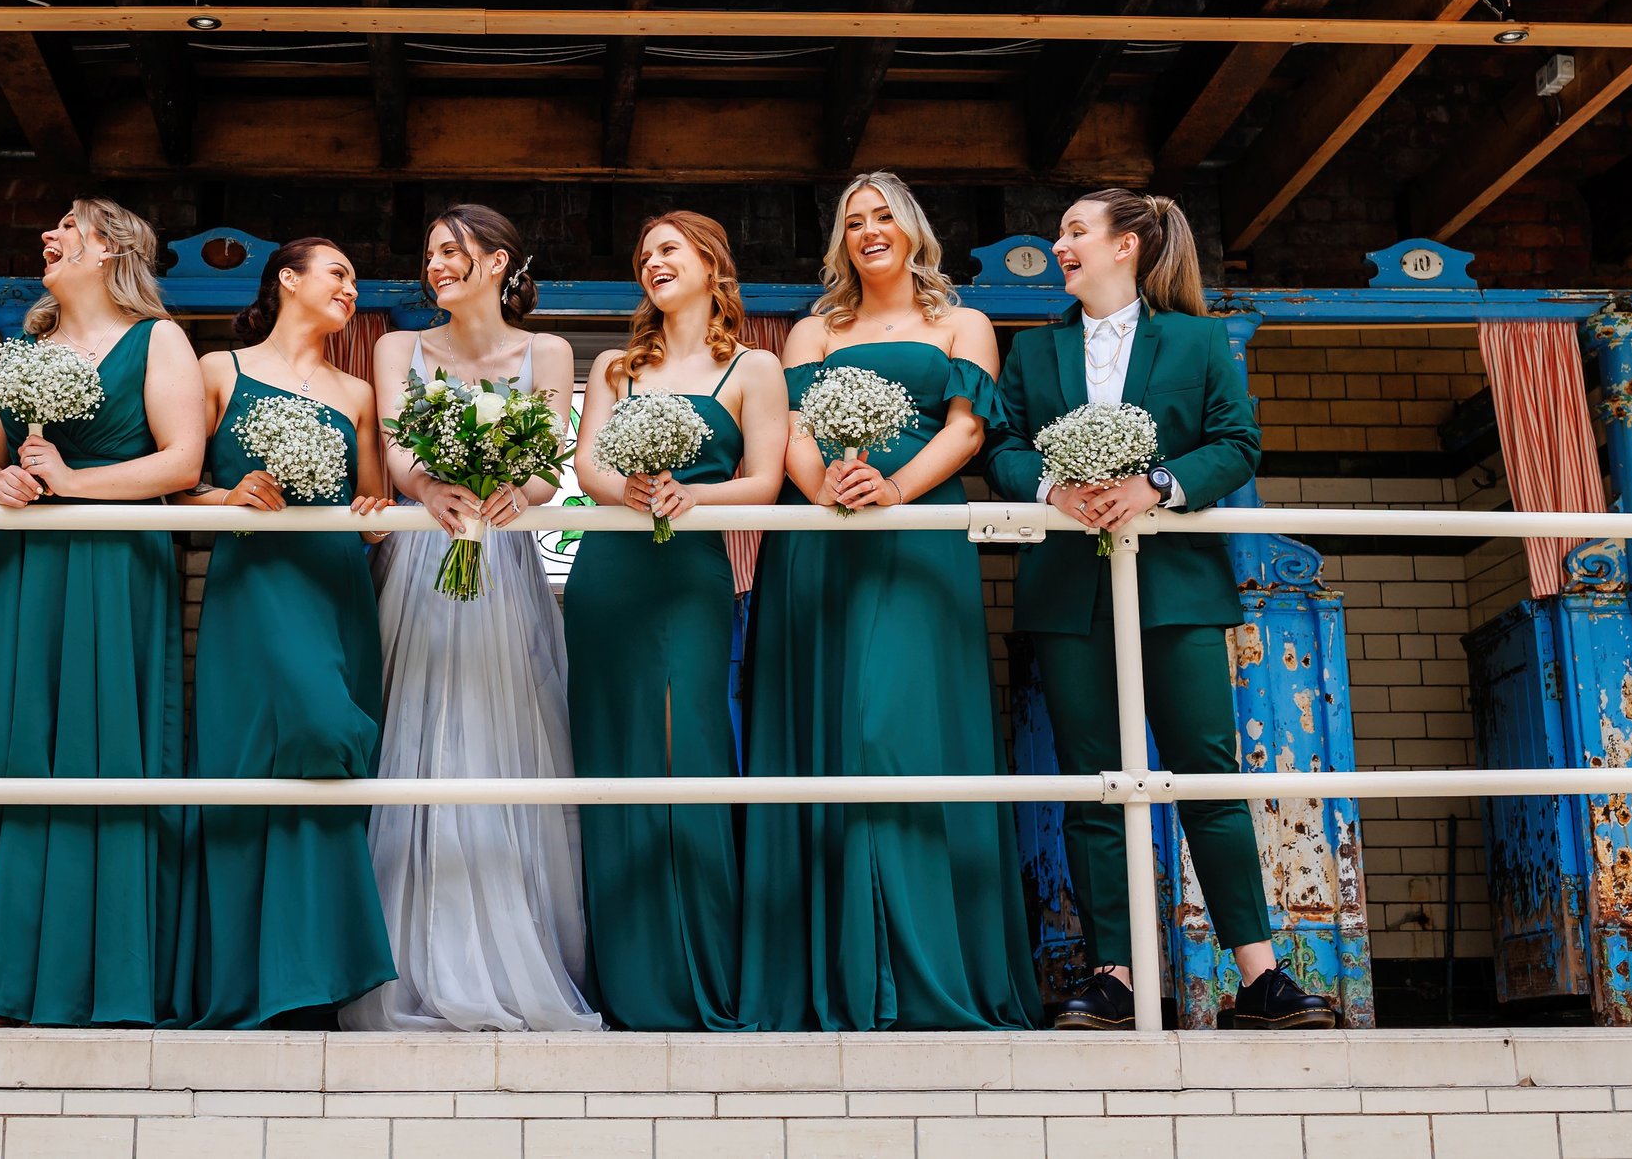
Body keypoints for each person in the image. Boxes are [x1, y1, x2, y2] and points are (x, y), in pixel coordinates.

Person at [989, 188, 1336, 1030]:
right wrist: (1054, 490)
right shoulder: (1033, 355)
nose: (1060, 245)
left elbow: (1236, 441)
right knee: (1094, 784)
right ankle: (1116, 974)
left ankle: (1259, 976)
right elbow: (1001, 447)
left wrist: (1155, 484)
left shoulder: (1195, 338)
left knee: (1207, 771)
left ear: (1127, 246)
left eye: (1075, 231)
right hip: (1070, 591)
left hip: (1176, 584)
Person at [738, 171, 1041, 1031]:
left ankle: (931, 965)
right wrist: (832, 491)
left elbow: (967, 428)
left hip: (916, 531)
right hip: (825, 538)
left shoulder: (963, 323)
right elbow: (791, 430)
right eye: (853, 221)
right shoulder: (811, 331)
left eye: (882, 217)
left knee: (899, 729)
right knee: (836, 728)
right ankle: (833, 967)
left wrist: (894, 489)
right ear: (842, 241)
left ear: (911, 230)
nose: (868, 230)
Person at [0, 199, 204, 1025]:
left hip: (114, 568)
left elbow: (182, 460)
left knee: (104, 747)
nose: (49, 235)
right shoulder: (20, 349)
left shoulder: (159, 340)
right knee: (8, 739)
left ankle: (105, 976)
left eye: (68, 227)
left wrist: (73, 482)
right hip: (24, 569)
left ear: (111, 248)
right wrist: (6, 484)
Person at [344, 205, 602, 1032]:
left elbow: (543, 465)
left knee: (503, 731)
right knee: (415, 731)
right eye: (430, 254)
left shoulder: (552, 353)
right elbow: (396, 446)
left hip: (504, 557)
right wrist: (428, 488)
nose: (436, 266)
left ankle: (514, 951)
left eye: (452, 252)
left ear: (498, 262)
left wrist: (511, 492)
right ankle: (409, 954)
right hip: (425, 553)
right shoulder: (397, 348)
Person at [568, 212, 788, 1030]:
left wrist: (694, 496)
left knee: (685, 748)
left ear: (710, 265)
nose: (651, 262)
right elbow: (588, 464)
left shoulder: (753, 367)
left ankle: (701, 972)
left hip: (692, 574)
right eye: (643, 255)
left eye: (667, 249)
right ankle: (624, 980)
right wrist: (622, 488)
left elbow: (764, 480)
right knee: (613, 760)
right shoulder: (618, 369)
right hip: (608, 578)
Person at [179, 237, 397, 1028]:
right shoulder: (219, 371)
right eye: (338, 271)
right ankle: (246, 979)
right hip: (255, 587)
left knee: (334, 754)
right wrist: (230, 496)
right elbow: (178, 495)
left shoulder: (358, 391)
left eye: (353, 275)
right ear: (287, 280)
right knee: (289, 742)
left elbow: (374, 505)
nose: (350, 286)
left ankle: (313, 985)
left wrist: (375, 516)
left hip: (337, 590)